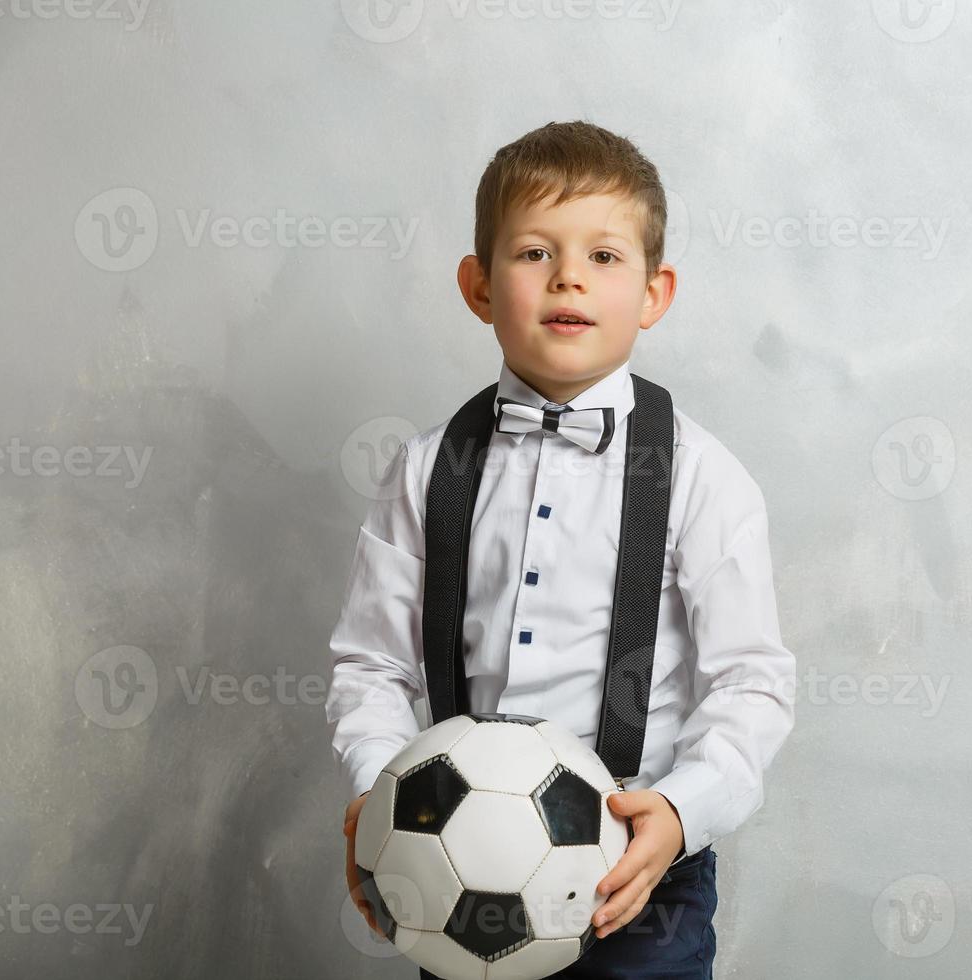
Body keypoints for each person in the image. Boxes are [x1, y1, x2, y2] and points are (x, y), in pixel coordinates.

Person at [326, 119, 797, 979]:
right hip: (453, 871)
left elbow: (751, 683)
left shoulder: (700, 475)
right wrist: (377, 797)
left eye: (605, 257)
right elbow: (372, 665)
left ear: (655, 294)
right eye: (535, 252)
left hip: (641, 881)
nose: (569, 275)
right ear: (477, 285)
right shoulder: (427, 469)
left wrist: (681, 814)